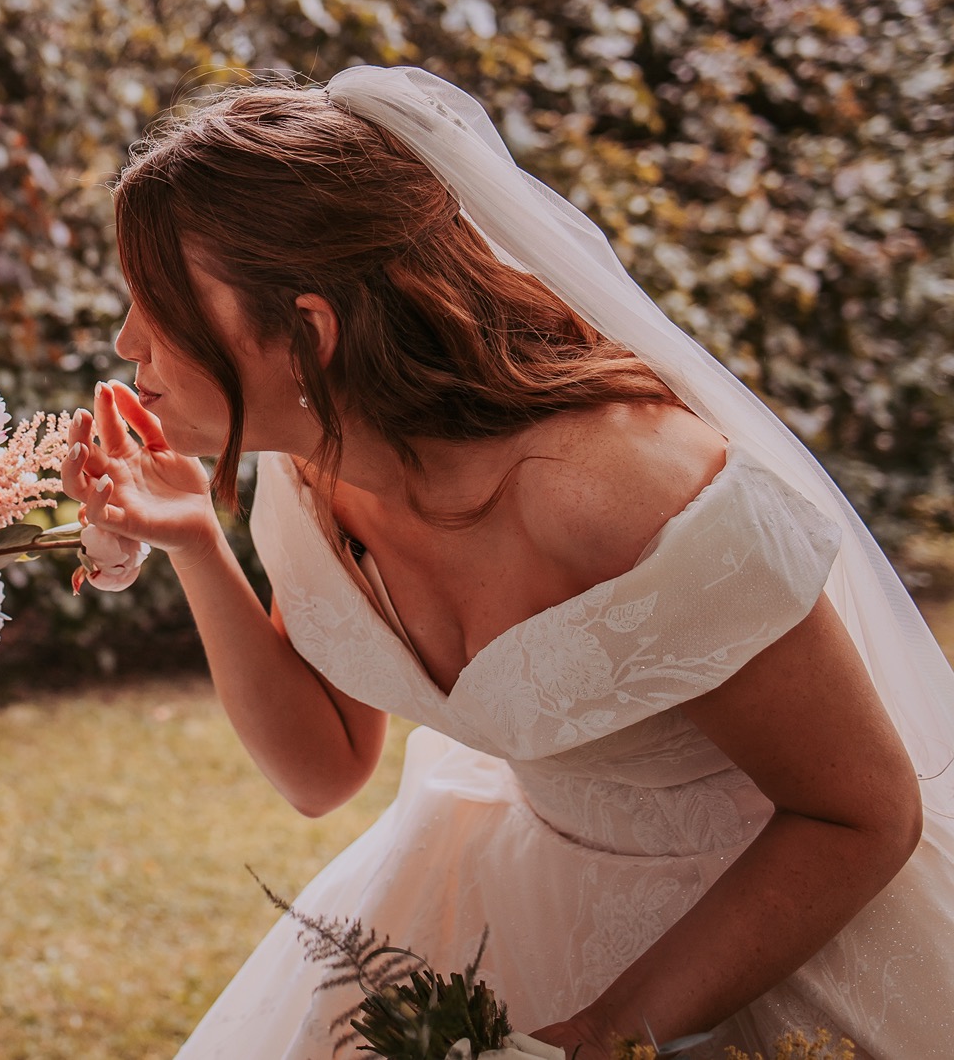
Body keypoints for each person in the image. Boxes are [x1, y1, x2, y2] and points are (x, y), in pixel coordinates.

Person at [65, 68, 954, 1056]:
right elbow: (320, 770)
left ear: (307, 334)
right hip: (514, 893)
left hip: (768, 928)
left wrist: (607, 1030)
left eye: (156, 304)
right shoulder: (309, 475)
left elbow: (861, 812)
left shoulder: (633, 491)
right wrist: (192, 539)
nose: (125, 341)